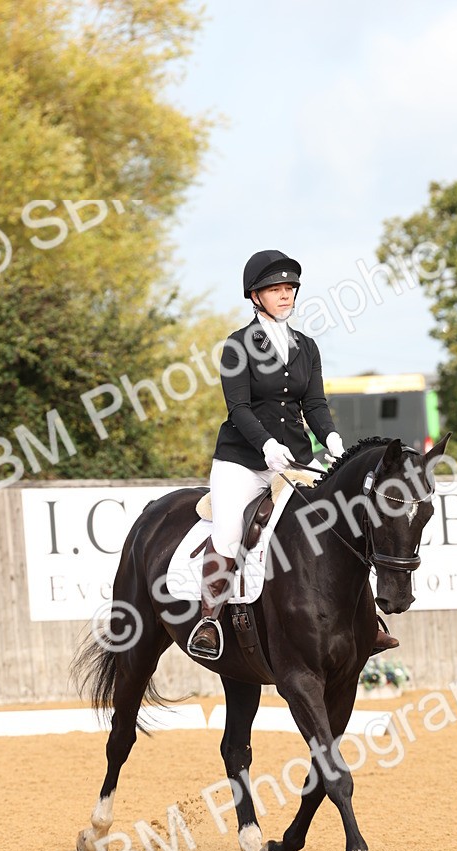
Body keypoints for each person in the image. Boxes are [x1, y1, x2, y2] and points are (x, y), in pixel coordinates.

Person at [187, 249, 399, 662]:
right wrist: (266, 444)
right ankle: (209, 621)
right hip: (243, 461)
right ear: (255, 296)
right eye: (275, 290)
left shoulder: (307, 346)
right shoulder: (238, 345)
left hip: (297, 460)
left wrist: (332, 440)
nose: (285, 295)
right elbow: (239, 408)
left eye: (289, 288)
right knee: (228, 532)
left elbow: (314, 404)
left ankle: (365, 618)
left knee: (343, 516)